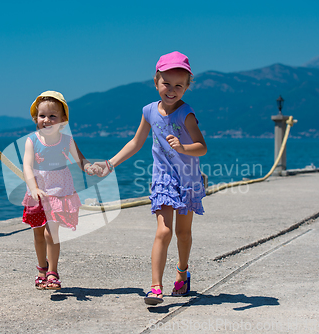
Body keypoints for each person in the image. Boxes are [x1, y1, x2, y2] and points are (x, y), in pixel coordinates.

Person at [95, 52, 207, 305]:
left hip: (187, 180)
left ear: (187, 87)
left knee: (183, 232)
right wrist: (110, 163)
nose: (172, 90)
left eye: (179, 85)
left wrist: (183, 148)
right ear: (156, 82)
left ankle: (182, 272)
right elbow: (136, 142)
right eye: (167, 83)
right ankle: (156, 286)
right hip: (164, 179)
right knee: (163, 230)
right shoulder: (148, 111)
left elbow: (202, 147)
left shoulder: (186, 114)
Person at [22, 91, 101, 290]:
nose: (46, 120)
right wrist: (33, 187)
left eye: (52, 116)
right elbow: (26, 165)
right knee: (38, 233)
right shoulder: (32, 140)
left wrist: (89, 168)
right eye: (42, 116)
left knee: (51, 234)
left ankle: (52, 272)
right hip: (38, 193)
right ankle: (41, 268)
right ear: (35, 118)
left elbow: (80, 160)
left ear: (62, 120)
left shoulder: (66, 141)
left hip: (58, 193)